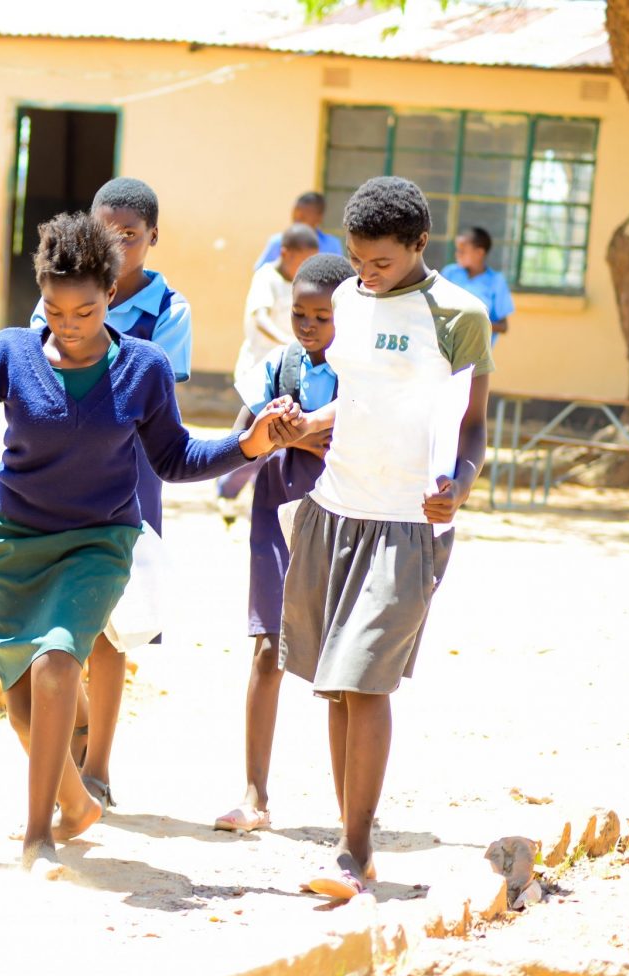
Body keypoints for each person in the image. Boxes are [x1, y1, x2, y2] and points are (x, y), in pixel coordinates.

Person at [0, 212, 301, 874]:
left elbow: (175, 456)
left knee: (55, 664)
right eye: (55, 307)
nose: (70, 323)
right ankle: (77, 807)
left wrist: (248, 445)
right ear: (40, 295)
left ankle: (37, 837)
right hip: (15, 545)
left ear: (112, 295)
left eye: (86, 309)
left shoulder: (144, 369)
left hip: (98, 544)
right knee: (23, 715)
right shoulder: (9, 354)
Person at [279, 177, 492, 897]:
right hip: (335, 508)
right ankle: (353, 842)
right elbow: (363, 395)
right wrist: (310, 423)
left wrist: (458, 485)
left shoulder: (459, 313)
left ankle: (352, 848)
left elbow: (472, 423)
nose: (367, 274)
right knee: (335, 687)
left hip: (408, 523)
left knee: (366, 679)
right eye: (359, 260)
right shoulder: (346, 299)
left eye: (381, 262)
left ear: (418, 245)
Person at [29, 177, 190, 809]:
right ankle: (72, 738)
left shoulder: (167, 312)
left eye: (132, 235)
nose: (119, 246)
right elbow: (31, 373)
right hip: (56, 476)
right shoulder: (57, 298)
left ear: (154, 237)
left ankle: (96, 764)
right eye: (107, 232)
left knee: (111, 630)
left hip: (128, 480)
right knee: (56, 621)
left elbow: (151, 395)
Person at [214, 252, 356, 834]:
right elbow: (243, 434)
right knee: (268, 649)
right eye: (300, 314)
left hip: (342, 514)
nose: (308, 327)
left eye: (321, 317)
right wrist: (269, 434)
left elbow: (367, 437)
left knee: (342, 665)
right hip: (277, 511)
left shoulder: (361, 374)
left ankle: (353, 812)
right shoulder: (281, 365)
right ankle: (255, 795)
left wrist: (316, 436)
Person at [216, 223, 323, 522]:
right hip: (262, 374)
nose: (305, 266)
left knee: (278, 441)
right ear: (285, 253)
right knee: (252, 438)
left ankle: (256, 495)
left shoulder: (302, 283)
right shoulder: (267, 277)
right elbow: (259, 317)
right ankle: (226, 488)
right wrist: (289, 342)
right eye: (301, 258)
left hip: (292, 377)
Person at [442, 226, 514, 345]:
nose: (457, 254)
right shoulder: (449, 273)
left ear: (479, 253)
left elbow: (503, 326)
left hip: (475, 353)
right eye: (457, 249)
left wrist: (474, 323)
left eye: (462, 251)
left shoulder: (496, 281)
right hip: (444, 347)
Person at [253, 192, 343, 271]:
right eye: (294, 216)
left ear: (319, 217)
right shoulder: (278, 242)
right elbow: (260, 272)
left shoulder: (332, 245)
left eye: (302, 218)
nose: (296, 221)